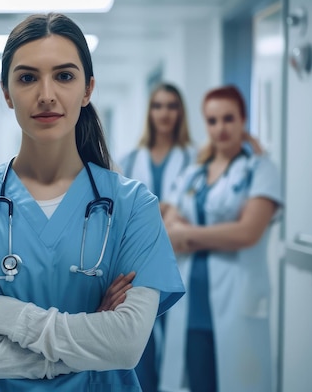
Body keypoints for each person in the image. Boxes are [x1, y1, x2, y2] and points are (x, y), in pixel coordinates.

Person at [0, 12, 185, 391]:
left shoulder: (133, 205)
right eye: (27, 77)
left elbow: (125, 345)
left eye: (65, 76)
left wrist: (0, 312)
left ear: (88, 90)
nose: (46, 94)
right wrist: (83, 343)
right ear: (6, 92)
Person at [159, 85, 283, 392]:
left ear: (243, 119)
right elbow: (168, 223)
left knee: (238, 383)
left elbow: (247, 233)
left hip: (238, 298)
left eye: (229, 118)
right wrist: (203, 234)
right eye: (212, 121)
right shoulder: (194, 173)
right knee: (196, 382)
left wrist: (188, 234)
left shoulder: (261, 170)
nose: (221, 128)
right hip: (191, 304)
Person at [118, 82, 196, 392]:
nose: (165, 113)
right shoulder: (131, 158)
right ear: (150, 112)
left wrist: (157, 210)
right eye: (158, 106)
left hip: (181, 259)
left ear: (181, 113)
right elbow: (126, 211)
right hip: (140, 262)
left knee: (179, 342)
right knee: (141, 340)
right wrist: (163, 209)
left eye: (172, 106)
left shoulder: (195, 158)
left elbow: (193, 211)